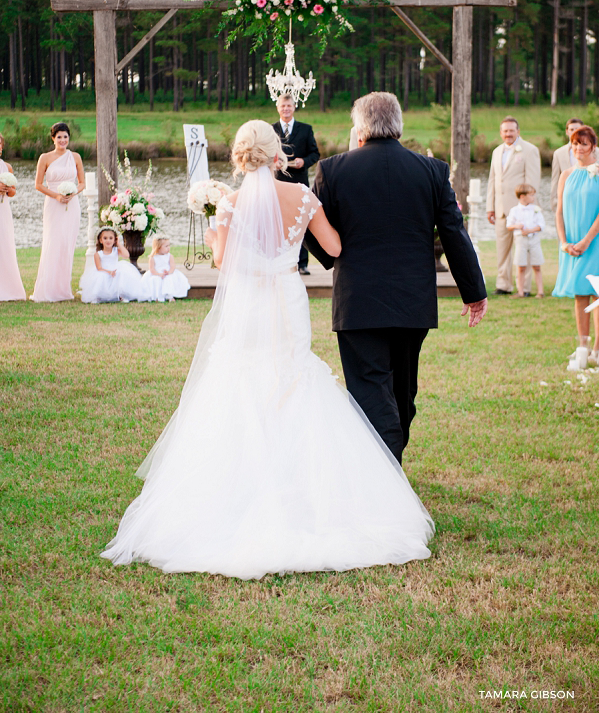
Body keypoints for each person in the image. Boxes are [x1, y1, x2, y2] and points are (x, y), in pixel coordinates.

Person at [101, 120, 434, 578]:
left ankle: (239, 492)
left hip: (249, 305)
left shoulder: (230, 204)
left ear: (239, 158)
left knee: (242, 379)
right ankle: (306, 492)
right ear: (277, 154)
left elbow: (221, 261)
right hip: (286, 297)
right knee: (293, 377)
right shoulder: (302, 197)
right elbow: (334, 247)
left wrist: (218, 223)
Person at [304, 92, 487, 466]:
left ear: (361, 128)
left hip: (358, 302)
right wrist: (474, 291)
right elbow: (454, 232)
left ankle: (385, 479)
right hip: (412, 301)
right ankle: (388, 475)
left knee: (372, 391)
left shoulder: (333, 170)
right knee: (402, 394)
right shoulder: (432, 170)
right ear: (397, 124)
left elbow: (313, 227)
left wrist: (329, 256)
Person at [553, 125, 599, 363]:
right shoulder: (566, 175)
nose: (578, 148)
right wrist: (564, 242)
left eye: (583, 143)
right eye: (575, 143)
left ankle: (597, 352)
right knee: (580, 293)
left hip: (594, 241)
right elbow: (559, 211)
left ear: (593, 145)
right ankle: (583, 348)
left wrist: (586, 240)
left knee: (597, 294)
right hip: (571, 243)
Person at [486, 116, 541, 295]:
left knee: (522, 249)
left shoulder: (530, 150)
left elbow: (532, 182)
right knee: (502, 250)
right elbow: (492, 181)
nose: (508, 134)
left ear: (518, 131)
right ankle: (503, 285)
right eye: (505, 131)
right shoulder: (496, 152)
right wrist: (490, 207)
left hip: (521, 210)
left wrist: (529, 207)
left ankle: (523, 288)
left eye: (511, 130)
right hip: (501, 209)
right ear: (501, 133)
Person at [31, 122, 84, 302]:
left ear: (69, 138)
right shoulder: (45, 158)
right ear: (53, 138)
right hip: (53, 204)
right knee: (52, 242)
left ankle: (63, 290)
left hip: (72, 204)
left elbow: (82, 182)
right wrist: (57, 196)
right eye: (59, 137)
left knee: (66, 244)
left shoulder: (75, 157)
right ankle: (47, 290)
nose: (63, 140)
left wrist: (72, 192)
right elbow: (38, 185)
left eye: (65, 137)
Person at [272, 93, 320, 275]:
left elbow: (315, 154)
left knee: (301, 221)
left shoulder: (306, 129)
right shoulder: (271, 129)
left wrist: (304, 161)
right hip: (278, 181)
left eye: (289, 106)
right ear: (278, 108)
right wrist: (273, 163)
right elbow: (267, 153)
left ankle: (302, 263)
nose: (286, 109)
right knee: (278, 222)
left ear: (294, 108)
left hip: (299, 181)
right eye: (283, 106)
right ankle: (279, 261)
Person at [79, 227, 145, 304]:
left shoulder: (116, 250)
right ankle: (98, 296)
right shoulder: (98, 254)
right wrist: (109, 272)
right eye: (105, 238)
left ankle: (122, 295)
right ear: (101, 240)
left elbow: (127, 255)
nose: (108, 240)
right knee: (101, 276)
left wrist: (118, 244)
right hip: (104, 270)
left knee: (120, 274)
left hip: (116, 268)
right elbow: (99, 268)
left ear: (114, 240)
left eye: (111, 238)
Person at [506, 184, 546, 299]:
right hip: (520, 240)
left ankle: (540, 292)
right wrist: (517, 226)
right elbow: (509, 225)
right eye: (531, 195)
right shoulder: (514, 210)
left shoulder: (536, 209)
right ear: (523, 196)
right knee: (521, 266)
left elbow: (541, 225)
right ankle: (520, 292)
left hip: (534, 240)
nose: (533, 197)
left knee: (537, 266)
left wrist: (530, 230)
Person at [0, 133, 26, 302]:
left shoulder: (6, 166)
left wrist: (7, 189)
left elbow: (13, 192)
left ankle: (8, 288)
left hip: (3, 210)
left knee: (5, 245)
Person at [142, 237, 190, 302]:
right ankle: (157, 297)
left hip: (168, 273)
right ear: (158, 247)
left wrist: (169, 272)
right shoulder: (153, 257)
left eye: (169, 246)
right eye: (166, 246)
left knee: (169, 279)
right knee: (155, 280)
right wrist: (159, 274)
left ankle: (169, 296)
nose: (168, 248)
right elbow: (152, 269)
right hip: (156, 273)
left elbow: (172, 266)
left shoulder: (169, 256)